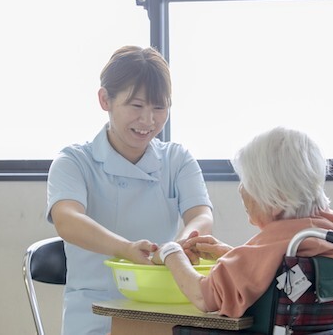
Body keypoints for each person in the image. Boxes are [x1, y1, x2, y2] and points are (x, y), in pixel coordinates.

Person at [47, 45, 214, 335]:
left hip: (164, 309)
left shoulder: (177, 159)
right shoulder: (74, 161)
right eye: (136, 106)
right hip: (95, 312)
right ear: (105, 99)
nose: (148, 121)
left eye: (159, 108)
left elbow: (201, 216)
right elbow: (67, 220)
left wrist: (179, 247)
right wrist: (124, 249)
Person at [152, 127, 333, 319]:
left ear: (276, 199)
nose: (241, 189)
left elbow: (202, 297)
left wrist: (172, 252)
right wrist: (232, 254)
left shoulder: (271, 248)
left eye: (247, 182)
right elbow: (279, 273)